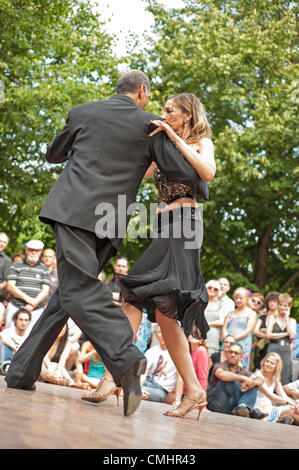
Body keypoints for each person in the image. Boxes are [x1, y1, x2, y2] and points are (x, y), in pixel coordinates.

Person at [5, 71, 209, 417]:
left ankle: (125, 358)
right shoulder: (149, 126)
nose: (160, 108)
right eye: (156, 101)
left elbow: (54, 154)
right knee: (72, 294)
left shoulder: (83, 112)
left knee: (81, 289)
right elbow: (176, 170)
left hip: (80, 211)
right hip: (110, 220)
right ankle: (22, 370)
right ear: (142, 91)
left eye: (170, 108)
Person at [107, 92, 216, 421]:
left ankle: (115, 376)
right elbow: (136, 172)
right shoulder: (161, 144)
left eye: (170, 110)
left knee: (132, 291)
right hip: (163, 226)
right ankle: (194, 390)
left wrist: (173, 138)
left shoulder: (201, 141)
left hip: (185, 224)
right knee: (165, 313)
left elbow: (207, 172)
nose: (163, 113)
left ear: (186, 114)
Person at [236, 353, 299, 423]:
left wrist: (294, 403)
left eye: (272, 363)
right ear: (264, 362)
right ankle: (278, 420)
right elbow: (271, 396)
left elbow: (283, 396)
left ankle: (279, 420)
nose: (268, 364)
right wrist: (288, 402)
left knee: (293, 409)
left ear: (276, 367)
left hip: (268, 408)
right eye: (267, 361)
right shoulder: (258, 376)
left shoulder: (275, 379)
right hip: (257, 409)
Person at [207, 342, 263, 416]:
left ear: (241, 356)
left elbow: (260, 380)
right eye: (231, 352)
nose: (233, 355)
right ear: (226, 354)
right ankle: (246, 409)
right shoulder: (220, 365)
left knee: (254, 384)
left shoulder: (243, 371)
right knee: (228, 381)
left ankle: (243, 406)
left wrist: (251, 383)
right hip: (216, 403)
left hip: (231, 406)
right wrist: (243, 378)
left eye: (236, 353)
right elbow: (221, 374)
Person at [5, 240, 50, 331]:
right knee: (10, 336)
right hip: (15, 307)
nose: (33, 252)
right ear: (26, 250)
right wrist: (28, 299)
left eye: (37, 250)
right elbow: (10, 286)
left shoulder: (44, 269)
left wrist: (32, 304)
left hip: (36, 310)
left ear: (41, 252)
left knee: (34, 339)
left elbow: (45, 290)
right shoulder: (16, 265)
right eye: (31, 249)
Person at [140, 325, 177, 403]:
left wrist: (177, 398)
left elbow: (180, 380)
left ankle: (131, 392)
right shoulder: (151, 351)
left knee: (157, 394)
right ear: (156, 335)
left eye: (166, 332)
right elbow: (143, 372)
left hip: (161, 389)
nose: (163, 335)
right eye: (160, 332)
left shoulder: (177, 354)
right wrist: (139, 387)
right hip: (147, 382)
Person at [222, 287, 256, 369]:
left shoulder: (251, 313)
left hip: (243, 343)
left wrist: (232, 339)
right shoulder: (230, 313)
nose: (238, 300)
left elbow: (248, 330)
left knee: (240, 368)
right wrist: (227, 340)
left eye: (241, 298)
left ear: (246, 299)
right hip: (228, 344)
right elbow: (224, 328)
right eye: (236, 298)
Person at [266, 293, 296, 385]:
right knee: (270, 372)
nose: (282, 307)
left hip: (286, 349)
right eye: (281, 305)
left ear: (289, 307)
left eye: (285, 305)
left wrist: (287, 318)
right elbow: (268, 335)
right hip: (273, 347)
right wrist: (285, 333)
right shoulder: (272, 317)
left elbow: (292, 335)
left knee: (285, 373)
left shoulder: (292, 320)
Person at [0, 309, 31, 375]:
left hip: (21, 364)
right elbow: (3, 337)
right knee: (4, 344)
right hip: (6, 361)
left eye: (26, 320)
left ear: (29, 322)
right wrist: (15, 347)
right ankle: (6, 366)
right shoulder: (8, 332)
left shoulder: (30, 336)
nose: (23, 322)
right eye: (21, 319)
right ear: (15, 320)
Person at [204, 280, 224, 356]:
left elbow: (221, 321)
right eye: (210, 287)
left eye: (215, 289)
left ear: (218, 291)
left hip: (214, 335)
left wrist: (207, 324)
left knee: (212, 356)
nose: (212, 290)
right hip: (200, 334)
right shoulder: (200, 303)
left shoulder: (220, 305)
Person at [0, 232, 11, 299]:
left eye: (4, 242)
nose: (1, 244)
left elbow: (5, 282)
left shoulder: (7, 260)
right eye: (0, 241)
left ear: (6, 245)